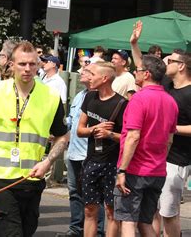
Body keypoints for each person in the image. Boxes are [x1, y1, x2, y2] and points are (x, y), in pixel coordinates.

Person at [0, 41, 68, 236]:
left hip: (32, 178)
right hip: (0, 179)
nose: (27, 69)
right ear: (11, 65)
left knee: (26, 231)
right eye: (22, 64)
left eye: (32, 64)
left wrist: (48, 162)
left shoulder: (51, 96)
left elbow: (62, 135)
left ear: (39, 65)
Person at [130, 20, 191, 237]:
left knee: (168, 212)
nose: (165, 62)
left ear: (181, 66)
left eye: (170, 60)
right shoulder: (166, 84)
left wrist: (170, 127)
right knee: (152, 210)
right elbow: (142, 69)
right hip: (158, 158)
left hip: (178, 159)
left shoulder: (189, 93)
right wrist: (135, 44)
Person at [115, 54, 178, 237]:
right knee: (145, 222)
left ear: (147, 74)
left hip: (135, 170)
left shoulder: (139, 99)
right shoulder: (171, 102)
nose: (136, 72)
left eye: (138, 70)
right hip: (157, 171)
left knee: (127, 221)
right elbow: (169, 140)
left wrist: (122, 170)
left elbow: (133, 136)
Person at [77, 61, 127, 237]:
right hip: (91, 161)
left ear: (104, 78)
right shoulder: (89, 97)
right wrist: (94, 129)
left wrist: (110, 134)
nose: (88, 77)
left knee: (111, 211)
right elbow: (80, 130)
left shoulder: (122, 104)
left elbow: (130, 138)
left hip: (112, 164)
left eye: (92, 74)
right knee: (89, 210)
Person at [57, 61, 105, 237]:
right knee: (75, 193)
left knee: (93, 197)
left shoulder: (100, 98)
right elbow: (70, 120)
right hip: (73, 153)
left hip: (89, 155)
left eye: (88, 71)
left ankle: (97, 232)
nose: (83, 73)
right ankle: (76, 229)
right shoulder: (79, 96)